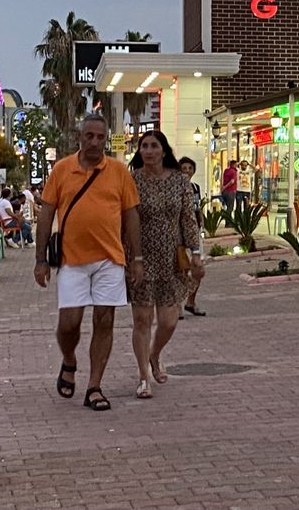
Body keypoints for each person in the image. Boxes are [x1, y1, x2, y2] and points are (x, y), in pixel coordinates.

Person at [33, 114, 142, 412]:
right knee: (69, 324)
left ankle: (94, 386)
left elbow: (131, 215)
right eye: (89, 136)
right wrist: (40, 260)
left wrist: (137, 258)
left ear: (106, 140)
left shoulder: (119, 172)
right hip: (72, 260)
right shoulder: (62, 170)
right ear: (80, 138)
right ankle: (69, 360)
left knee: (104, 320)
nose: (95, 142)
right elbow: (46, 215)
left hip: (110, 259)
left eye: (100, 137)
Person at [128, 131, 203, 399]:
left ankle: (154, 354)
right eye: (144, 146)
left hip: (172, 257)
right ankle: (142, 376)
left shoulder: (179, 181)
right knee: (141, 319)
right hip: (140, 256)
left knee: (169, 321)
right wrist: (131, 257)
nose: (149, 151)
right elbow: (127, 219)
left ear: (163, 150)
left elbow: (188, 219)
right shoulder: (132, 180)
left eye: (154, 146)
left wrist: (195, 252)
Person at [179, 156, 208, 317]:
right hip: (179, 234)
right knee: (181, 269)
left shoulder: (195, 187)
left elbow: (197, 208)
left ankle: (191, 301)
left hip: (195, 232)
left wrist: (201, 222)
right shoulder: (174, 188)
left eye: (190, 169)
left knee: (198, 270)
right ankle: (177, 304)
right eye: (184, 169)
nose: (187, 172)